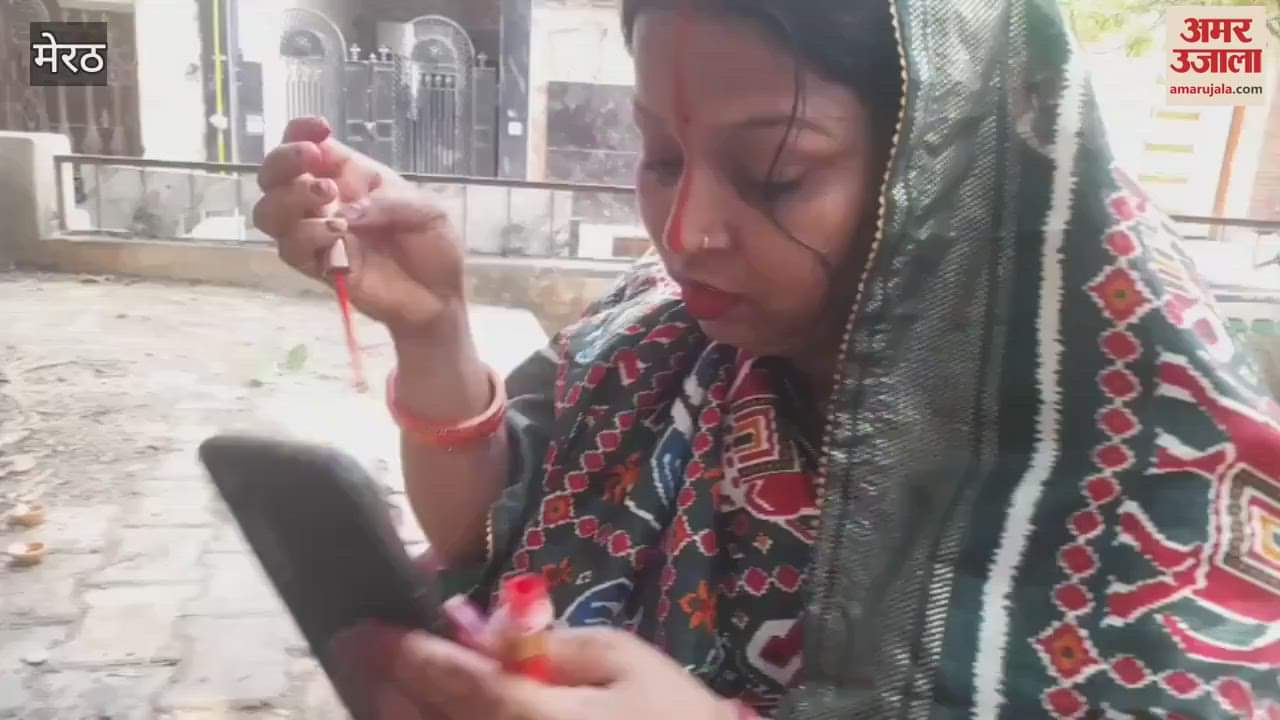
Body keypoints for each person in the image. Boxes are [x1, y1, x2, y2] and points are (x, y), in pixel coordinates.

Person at [252, 0, 1280, 717]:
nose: (686, 230)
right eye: (658, 157)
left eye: (775, 173)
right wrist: (434, 325)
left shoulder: (1142, 460)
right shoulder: (658, 338)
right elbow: (484, 532)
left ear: (941, 170)